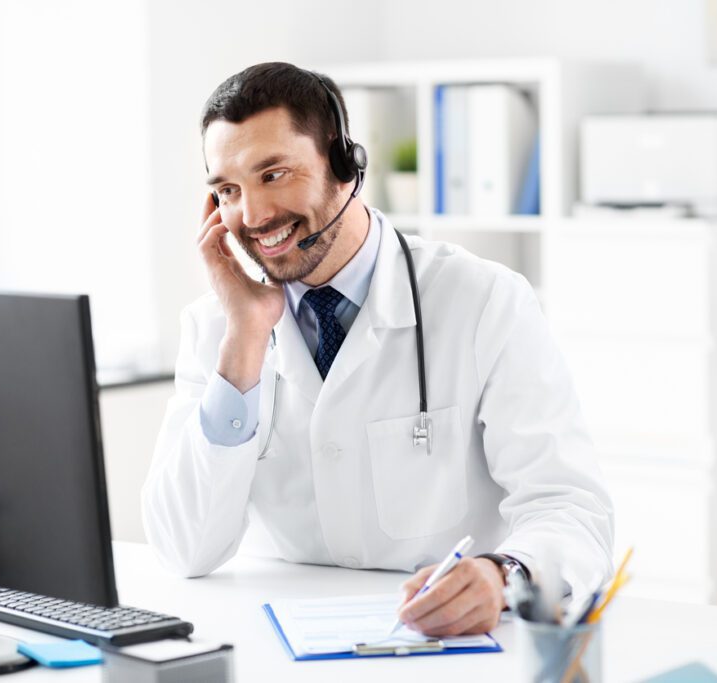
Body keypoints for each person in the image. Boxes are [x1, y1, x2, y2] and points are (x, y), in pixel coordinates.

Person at [142, 62, 613, 637]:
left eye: (275, 173)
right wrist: (243, 344)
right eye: (228, 190)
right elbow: (181, 549)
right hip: (278, 647)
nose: (255, 215)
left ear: (346, 166)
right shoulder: (215, 328)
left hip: (446, 647)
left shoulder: (484, 300)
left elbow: (570, 508)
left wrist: (502, 574)